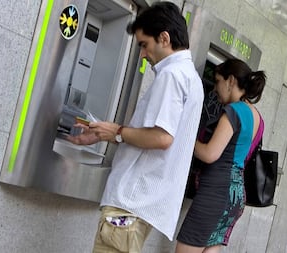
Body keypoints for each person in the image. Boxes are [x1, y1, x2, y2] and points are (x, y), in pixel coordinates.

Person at [67, 2, 204, 252]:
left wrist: (116, 132)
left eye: (144, 44)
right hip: (143, 204)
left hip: (131, 202)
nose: (142, 54)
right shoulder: (191, 78)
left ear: (164, 38)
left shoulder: (171, 75)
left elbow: (162, 138)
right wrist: (105, 134)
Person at [176, 59, 266, 253]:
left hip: (215, 192)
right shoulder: (257, 116)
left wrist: (184, 135)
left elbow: (210, 153)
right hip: (235, 195)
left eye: (217, 81)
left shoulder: (234, 111)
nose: (215, 89)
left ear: (231, 80)